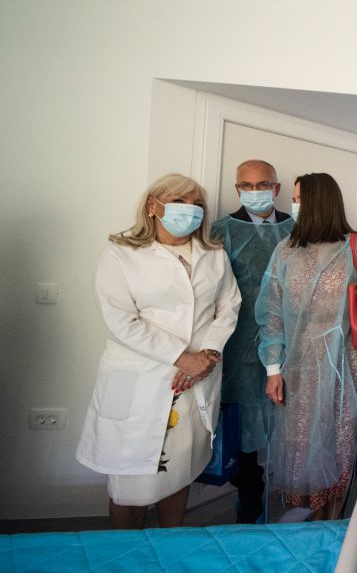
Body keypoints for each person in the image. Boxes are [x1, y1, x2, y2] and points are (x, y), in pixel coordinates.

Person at [77, 173, 241, 529]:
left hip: (194, 381)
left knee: (178, 472)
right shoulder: (120, 254)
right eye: (180, 201)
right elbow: (120, 321)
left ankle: (170, 542)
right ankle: (126, 548)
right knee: (129, 483)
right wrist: (183, 357)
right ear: (153, 206)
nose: (191, 210)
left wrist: (208, 355)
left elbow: (229, 306)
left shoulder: (213, 255)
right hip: (139, 379)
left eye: (197, 204)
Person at [256, 173, 357, 520]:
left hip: (348, 367)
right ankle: (312, 523)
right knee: (303, 443)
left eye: (299, 199)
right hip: (298, 368)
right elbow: (271, 312)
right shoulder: (285, 249)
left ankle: (336, 524)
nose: (293, 206)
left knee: (341, 443)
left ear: (319, 202)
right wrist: (273, 368)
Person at [209, 159, 294, 523]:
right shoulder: (223, 230)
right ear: (237, 189)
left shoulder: (296, 228)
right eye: (247, 185)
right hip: (239, 342)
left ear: (276, 189)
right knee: (243, 424)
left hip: (289, 341)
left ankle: (295, 492)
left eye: (263, 185)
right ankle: (249, 501)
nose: (255, 191)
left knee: (286, 416)